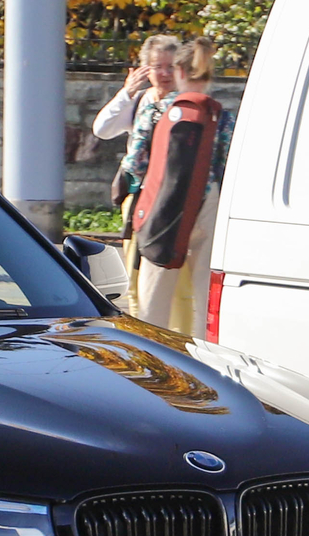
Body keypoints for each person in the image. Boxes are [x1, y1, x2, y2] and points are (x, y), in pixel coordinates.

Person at [128, 39, 230, 338]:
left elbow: (134, 163)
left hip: (163, 209)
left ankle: (154, 363)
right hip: (208, 205)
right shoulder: (222, 116)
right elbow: (224, 165)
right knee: (204, 299)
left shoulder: (156, 110)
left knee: (151, 302)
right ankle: (204, 362)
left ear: (179, 72)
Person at [91, 35, 185, 242]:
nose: (164, 73)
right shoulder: (139, 100)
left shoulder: (187, 103)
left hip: (175, 192)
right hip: (140, 193)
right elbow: (102, 129)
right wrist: (126, 93)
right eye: (157, 66)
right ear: (145, 69)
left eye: (170, 66)